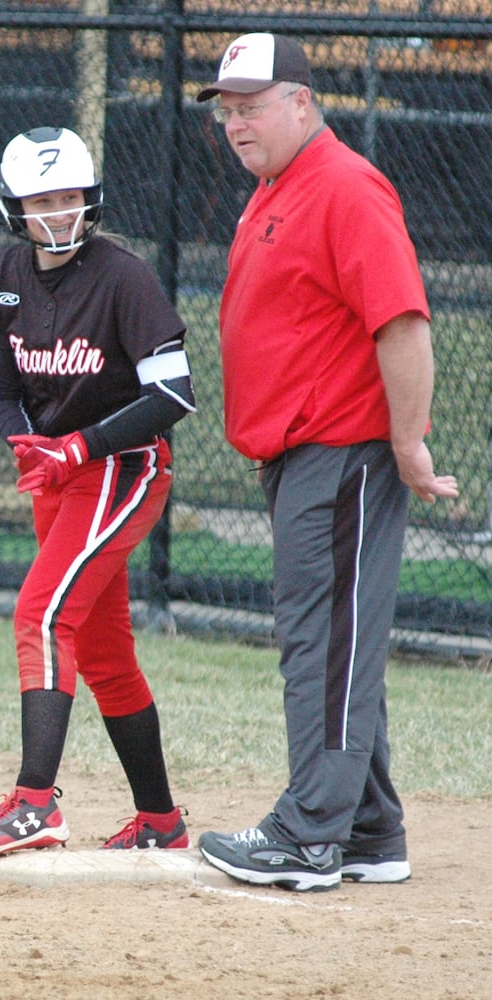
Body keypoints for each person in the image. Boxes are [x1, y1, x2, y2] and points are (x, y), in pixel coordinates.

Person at [193, 33, 459, 891]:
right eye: (226, 110)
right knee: (335, 641)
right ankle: (368, 831)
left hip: (341, 454)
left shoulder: (343, 186)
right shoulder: (278, 185)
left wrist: (407, 443)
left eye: (252, 105)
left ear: (302, 102)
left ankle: (307, 835)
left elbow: (403, 322)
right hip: (302, 456)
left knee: (322, 646)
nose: (236, 123)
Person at [0, 126, 196, 857]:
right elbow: (1, 393)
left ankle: (34, 804)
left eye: (67, 198)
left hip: (124, 467)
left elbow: (175, 396)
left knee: (40, 612)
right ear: (13, 207)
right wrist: (25, 442)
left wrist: (79, 446)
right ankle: (159, 821)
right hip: (57, 474)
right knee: (102, 648)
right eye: (39, 201)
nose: (56, 213)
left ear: (89, 201)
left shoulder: (123, 277)